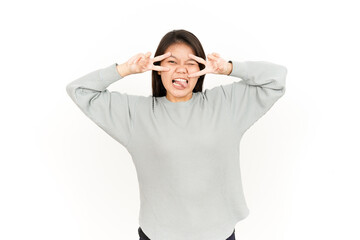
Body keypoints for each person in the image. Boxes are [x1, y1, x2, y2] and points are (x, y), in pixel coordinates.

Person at [66, 29, 287, 240]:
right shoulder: (136, 113)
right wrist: (125, 69)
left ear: (201, 68)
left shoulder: (225, 104)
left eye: (191, 63)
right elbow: (79, 90)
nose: (181, 69)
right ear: (158, 67)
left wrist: (229, 68)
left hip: (218, 235)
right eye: (172, 62)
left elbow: (276, 79)